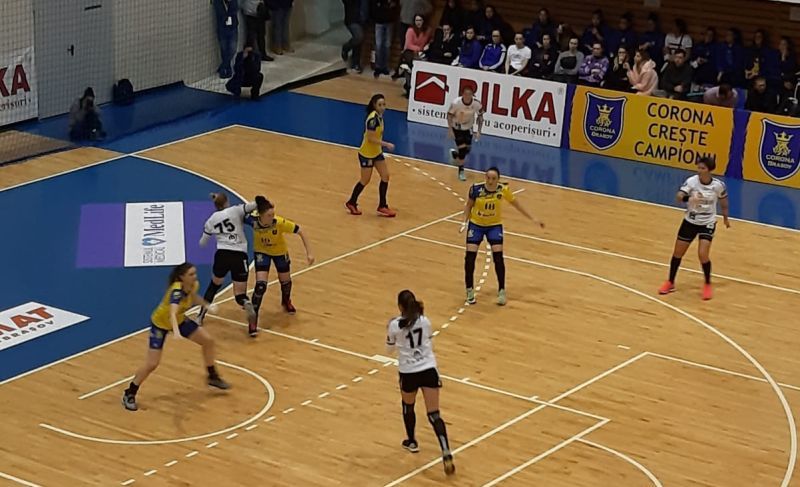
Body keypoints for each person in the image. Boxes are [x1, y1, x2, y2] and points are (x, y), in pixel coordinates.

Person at [122, 263, 230, 411]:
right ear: (182, 277)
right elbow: (172, 312)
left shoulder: (193, 285)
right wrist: (177, 332)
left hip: (179, 320)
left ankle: (212, 376)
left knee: (208, 341)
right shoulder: (176, 292)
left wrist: (206, 305)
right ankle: (130, 393)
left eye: (195, 273)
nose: (195, 276)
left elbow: (193, 297)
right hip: (161, 324)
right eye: (191, 274)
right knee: (152, 363)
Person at [385, 289, 454, 475]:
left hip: (408, 372)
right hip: (428, 369)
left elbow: (388, 350)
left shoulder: (394, 326)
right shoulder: (425, 321)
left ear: (400, 307)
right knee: (434, 414)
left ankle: (412, 441)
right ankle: (446, 450)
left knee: (408, 406)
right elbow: (430, 344)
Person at [460, 167, 544, 305]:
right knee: (470, 258)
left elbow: (518, 205)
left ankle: (502, 291)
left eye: (494, 178)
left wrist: (533, 219)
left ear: (498, 179)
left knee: (498, 258)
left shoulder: (502, 190)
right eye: (488, 178)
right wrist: (464, 222)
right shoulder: (476, 189)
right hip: (476, 225)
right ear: (485, 177)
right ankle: (469, 290)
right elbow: (468, 206)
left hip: (494, 226)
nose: (491, 181)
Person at [658, 157, 729, 300]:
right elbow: (679, 196)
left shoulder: (718, 185)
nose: (699, 171)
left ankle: (707, 284)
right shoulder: (692, 181)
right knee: (678, 253)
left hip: (707, 222)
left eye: (702, 168)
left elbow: (723, 201)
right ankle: (670, 282)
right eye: (698, 168)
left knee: (703, 254)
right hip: (690, 221)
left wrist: (726, 218)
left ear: (709, 170)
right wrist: (688, 199)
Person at [199, 192, 262, 335]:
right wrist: (260, 202)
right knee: (240, 295)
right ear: (227, 202)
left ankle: (200, 317)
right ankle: (246, 303)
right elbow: (254, 205)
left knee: (213, 286)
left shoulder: (212, 219)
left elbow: (203, 242)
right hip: (239, 255)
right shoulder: (236, 210)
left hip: (222, 254)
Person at [247, 198, 314, 330]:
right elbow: (236, 214)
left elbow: (301, 231)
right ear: (260, 215)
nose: (272, 217)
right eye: (269, 215)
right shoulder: (252, 220)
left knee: (286, 281)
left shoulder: (279, 223)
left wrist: (309, 253)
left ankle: (286, 301)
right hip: (262, 252)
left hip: (279, 252)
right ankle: (253, 319)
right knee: (260, 286)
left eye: (273, 214)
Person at [345, 94, 396, 217]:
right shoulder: (372, 120)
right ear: (374, 105)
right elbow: (371, 138)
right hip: (367, 154)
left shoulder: (380, 117)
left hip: (376, 152)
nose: (383, 107)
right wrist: (386, 144)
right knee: (365, 180)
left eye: (384, 104)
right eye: (380, 105)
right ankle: (351, 202)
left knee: (385, 176)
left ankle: (382, 206)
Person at [447, 86, 484, 182]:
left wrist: (479, 131)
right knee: (463, 149)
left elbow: (480, 117)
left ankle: (455, 155)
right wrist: (450, 129)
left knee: (467, 149)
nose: (467, 96)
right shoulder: (456, 103)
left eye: (469, 94)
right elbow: (449, 115)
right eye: (465, 94)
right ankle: (461, 171)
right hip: (457, 127)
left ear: (472, 95)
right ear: (462, 94)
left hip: (468, 127)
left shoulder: (476, 104)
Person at [370, 0, 397, 78]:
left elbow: (395, 5)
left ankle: (385, 67)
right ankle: (378, 67)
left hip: (390, 21)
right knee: (378, 45)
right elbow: (373, 6)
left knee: (387, 45)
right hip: (378, 21)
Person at [213, 0, 239, 78]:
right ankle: (227, 69)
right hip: (222, 28)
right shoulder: (218, 2)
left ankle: (224, 66)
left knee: (232, 49)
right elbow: (220, 13)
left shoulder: (233, 1)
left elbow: (235, 10)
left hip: (233, 27)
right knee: (224, 49)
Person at [342, 0, 367, 73]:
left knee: (359, 42)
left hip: (363, 18)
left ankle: (355, 64)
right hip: (352, 19)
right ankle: (346, 47)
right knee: (358, 36)